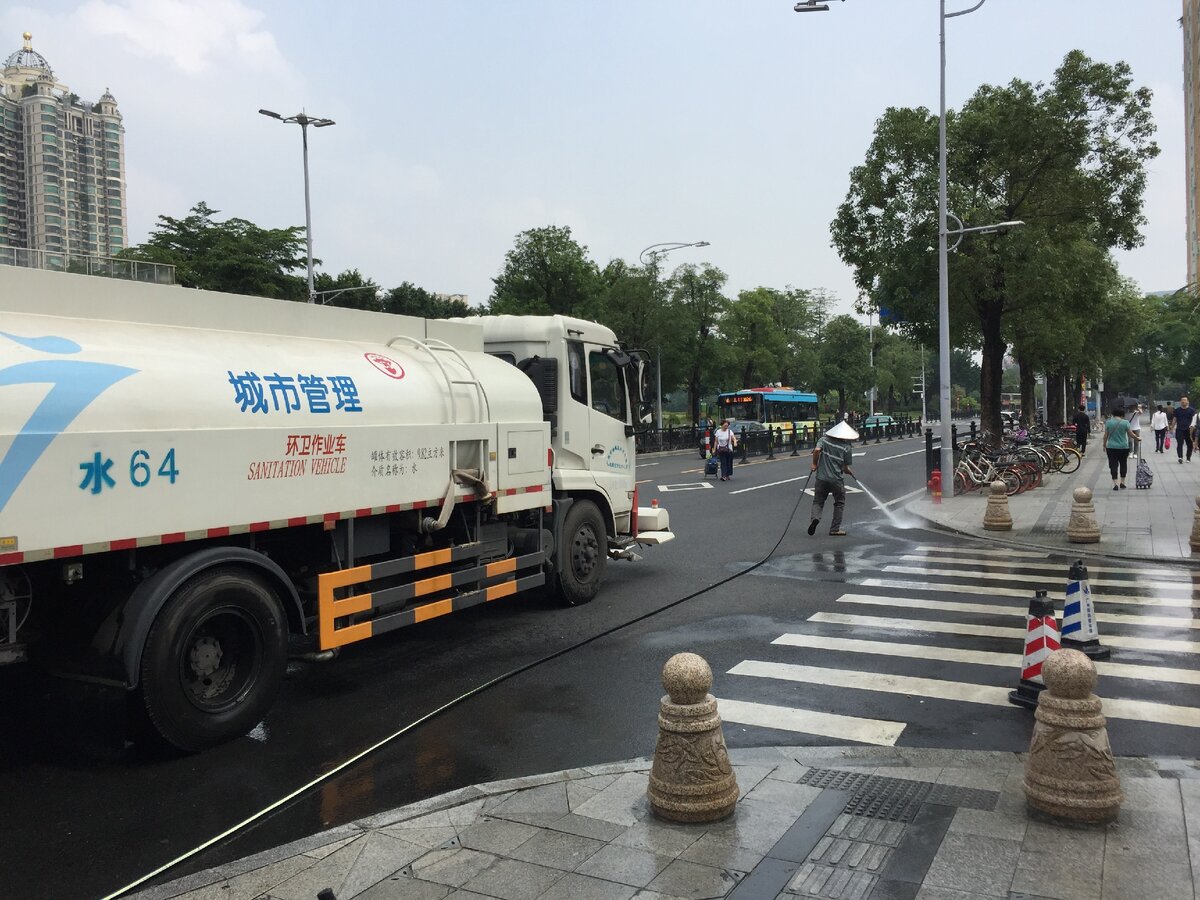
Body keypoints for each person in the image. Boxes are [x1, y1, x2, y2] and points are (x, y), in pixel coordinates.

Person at [808, 419, 857, 537]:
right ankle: (835, 529)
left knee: (818, 501)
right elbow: (845, 467)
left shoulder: (823, 440)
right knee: (839, 502)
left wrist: (814, 464)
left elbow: (817, 450)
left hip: (821, 478)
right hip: (836, 480)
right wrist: (848, 471)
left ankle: (815, 518)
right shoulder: (846, 448)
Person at [1104, 405, 1138, 489]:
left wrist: (1104, 444)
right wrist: (1137, 438)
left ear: (1113, 414)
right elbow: (1130, 434)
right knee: (1123, 464)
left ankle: (1115, 483)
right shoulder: (1125, 422)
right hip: (1123, 447)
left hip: (1111, 447)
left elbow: (1105, 435)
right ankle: (1122, 482)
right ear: (1122, 414)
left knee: (1113, 465)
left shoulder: (1108, 422)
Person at [1175, 396, 1197, 463]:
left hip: (1189, 430)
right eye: (1182, 400)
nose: (1183, 402)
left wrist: (1194, 428)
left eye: (1185, 400)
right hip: (1179, 429)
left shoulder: (1192, 410)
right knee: (1179, 444)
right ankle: (1180, 457)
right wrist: (1171, 427)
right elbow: (1174, 419)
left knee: (1189, 444)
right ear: (1180, 402)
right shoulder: (1177, 410)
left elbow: (1195, 420)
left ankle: (1188, 457)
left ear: (1187, 402)